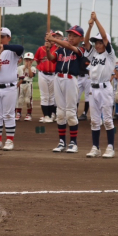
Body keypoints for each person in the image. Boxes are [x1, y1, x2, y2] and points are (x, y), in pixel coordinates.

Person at [46, 25, 85, 153]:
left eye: (74, 36)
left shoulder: (80, 50)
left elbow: (69, 47)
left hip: (71, 79)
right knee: (60, 112)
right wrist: (48, 49)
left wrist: (53, 39)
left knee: (70, 112)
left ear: (81, 38)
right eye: (69, 35)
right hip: (58, 78)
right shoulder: (60, 50)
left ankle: (73, 143)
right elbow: (52, 59)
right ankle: (62, 142)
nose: (71, 38)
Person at [84, 12, 117, 159]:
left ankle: (110, 147)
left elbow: (104, 37)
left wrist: (97, 20)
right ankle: (95, 147)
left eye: (100, 42)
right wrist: (89, 27)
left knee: (108, 120)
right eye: (96, 42)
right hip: (93, 89)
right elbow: (85, 43)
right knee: (95, 120)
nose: (98, 44)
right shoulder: (94, 55)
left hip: (105, 89)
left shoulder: (110, 55)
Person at [34, 31, 60, 123]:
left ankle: (51, 115)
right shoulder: (41, 49)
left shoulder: (57, 49)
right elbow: (37, 61)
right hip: (43, 74)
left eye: (52, 36)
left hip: (53, 74)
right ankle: (46, 116)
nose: (50, 38)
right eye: (48, 36)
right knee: (45, 96)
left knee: (52, 96)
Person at [16, 52, 36, 121]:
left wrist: (29, 67)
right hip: (21, 84)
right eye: (26, 60)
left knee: (28, 100)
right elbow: (19, 75)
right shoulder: (20, 67)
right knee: (19, 100)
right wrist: (25, 67)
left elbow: (30, 75)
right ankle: (18, 113)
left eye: (29, 60)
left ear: (32, 60)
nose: (27, 61)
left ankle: (29, 114)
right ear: (24, 60)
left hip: (28, 84)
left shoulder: (33, 68)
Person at [77, 52, 91, 121]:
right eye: (83, 45)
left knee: (87, 96)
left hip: (87, 77)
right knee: (76, 95)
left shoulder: (91, 57)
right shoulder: (79, 56)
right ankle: (74, 114)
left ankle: (85, 113)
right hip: (79, 77)